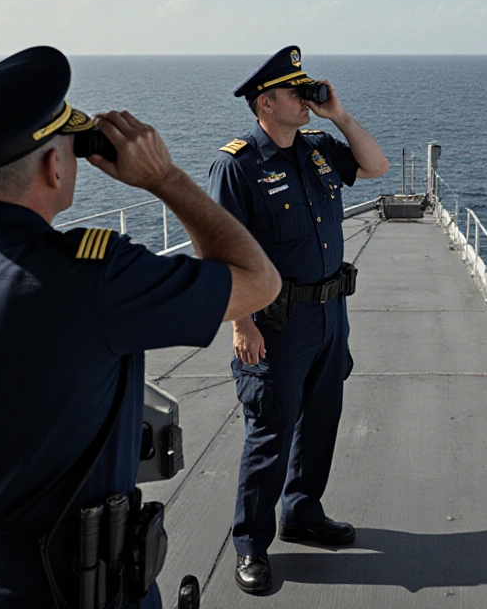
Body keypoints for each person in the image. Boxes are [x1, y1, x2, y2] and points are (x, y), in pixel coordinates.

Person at [0, 46, 281, 608]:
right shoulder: (97, 279)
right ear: (54, 167)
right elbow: (258, 281)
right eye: (72, 151)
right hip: (68, 584)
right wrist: (164, 178)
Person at [207, 45, 389, 595]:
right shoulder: (238, 165)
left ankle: (303, 512)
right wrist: (242, 324)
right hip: (277, 325)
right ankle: (251, 545)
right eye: (297, 91)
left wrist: (339, 115)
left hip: (331, 315)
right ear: (267, 102)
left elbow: (375, 166)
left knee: (321, 418)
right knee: (270, 431)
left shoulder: (317, 149)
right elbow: (219, 253)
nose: (307, 98)